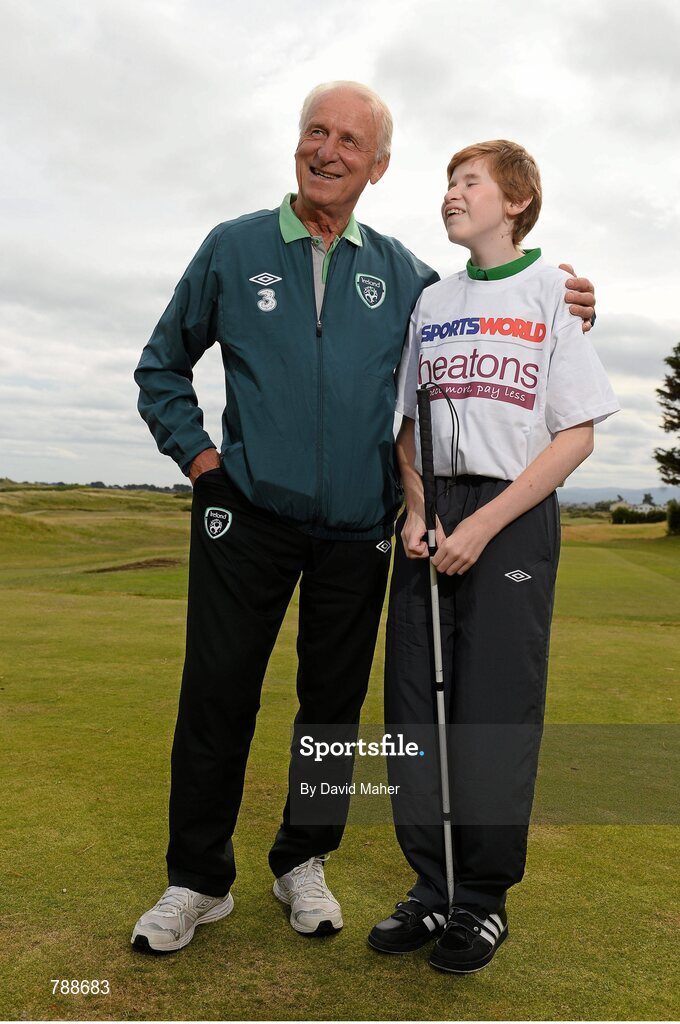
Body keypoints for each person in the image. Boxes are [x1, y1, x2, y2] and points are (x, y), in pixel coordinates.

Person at [131, 84, 596, 954]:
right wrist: (204, 465)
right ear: (297, 144)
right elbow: (161, 367)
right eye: (317, 132)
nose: (329, 150)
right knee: (217, 700)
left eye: (351, 141)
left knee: (332, 713)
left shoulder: (408, 277)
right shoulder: (231, 248)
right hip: (249, 517)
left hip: (357, 530)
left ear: (377, 167)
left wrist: (569, 301)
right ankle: (197, 879)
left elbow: (486, 302)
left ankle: (302, 861)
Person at [368, 140, 618, 973]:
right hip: (431, 514)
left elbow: (574, 433)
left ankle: (480, 900)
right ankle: (429, 890)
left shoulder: (554, 291)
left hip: (512, 510)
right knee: (415, 708)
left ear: (513, 201)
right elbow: (408, 423)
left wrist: (483, 526)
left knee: (493, 709)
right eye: (446, 183)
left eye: (467, 183)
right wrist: (415, 506)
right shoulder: (430, 299)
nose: (450, 194)